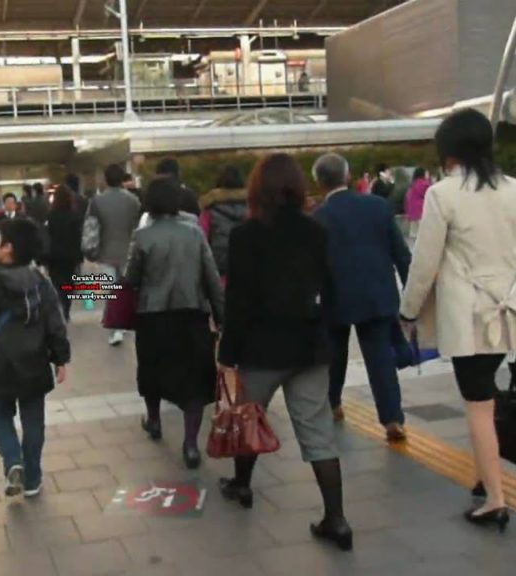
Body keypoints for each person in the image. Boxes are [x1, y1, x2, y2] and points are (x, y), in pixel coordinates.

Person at [400, 109, 516, 531]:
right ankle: (484, 476)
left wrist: (408, 309)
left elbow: (424, 263)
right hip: (511, 309)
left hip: (468, 316)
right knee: (485, 397)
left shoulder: (443, 194)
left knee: (478, 404)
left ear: (449, 149)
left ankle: (495, 500)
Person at [217, 153, 353, 552]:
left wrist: (227, 352)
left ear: (257, 189)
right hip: (309, 347)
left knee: (248, 418)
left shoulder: (245, 236)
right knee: (318, 434)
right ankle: (337, 519)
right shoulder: (317, 231)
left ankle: (242, 485)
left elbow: (238, 302)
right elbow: (331, 288)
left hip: (261, 349)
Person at [0, 218, 70, 499]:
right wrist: (61, 358)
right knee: (34, 420)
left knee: (2, 415)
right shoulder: (40, 281)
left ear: (7, 248)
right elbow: (55, 323)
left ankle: (12, 461)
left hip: (1, 361)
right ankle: (32, 479)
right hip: (36, 361)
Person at [125, 177, 223, 470]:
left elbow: (131, 279)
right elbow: (211, 278)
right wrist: (221, 317)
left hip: (153, 316)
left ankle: (154, 421)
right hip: (192, 315)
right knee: (194, 381)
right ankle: (191, 445)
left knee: (152, 370)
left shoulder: (142, 236)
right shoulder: (194, 233)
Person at [313, 153, 411, 441]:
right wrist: (411, 296)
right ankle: (392, 419)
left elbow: (312, 266)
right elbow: (401, 254)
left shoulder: (318, 218)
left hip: (336, 297)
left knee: (334, 355)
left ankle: (333, 403)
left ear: (319, 183)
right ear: (347, 176)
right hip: (377, 295)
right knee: (380, 359)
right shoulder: (378, 206)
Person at [88, 164, 142, 346]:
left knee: (111, 292)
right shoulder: (133, 201)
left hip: (106, 252)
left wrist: (90, 250)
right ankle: (123, 323)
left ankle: (115, 329)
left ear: (106, 179)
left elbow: (91, 228)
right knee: (126, 290)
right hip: (128, 252)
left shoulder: (97, 201)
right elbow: (137, 227)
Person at [198, 165, 248, 283]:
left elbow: (201, 241)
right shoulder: (253, 209)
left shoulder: (209, 210)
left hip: (218, 272)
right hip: (247, 271)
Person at [46, 184, 84, 321]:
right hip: (70, 256)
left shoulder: (51, 216)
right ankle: (66, 308)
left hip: (54, 255)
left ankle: (61, 306)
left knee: (56, 282)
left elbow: (48, 236)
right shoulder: (74, 216)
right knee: (69, 284)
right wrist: (80, 256)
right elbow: (78, 237)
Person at [405, 167, 432, 240]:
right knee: (423, 234)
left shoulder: (413, 184)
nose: (428, 174)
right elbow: (429, 195)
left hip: (412, 211)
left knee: (413, 234)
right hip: (421, 210)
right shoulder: (424, 184)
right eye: (426, 173)